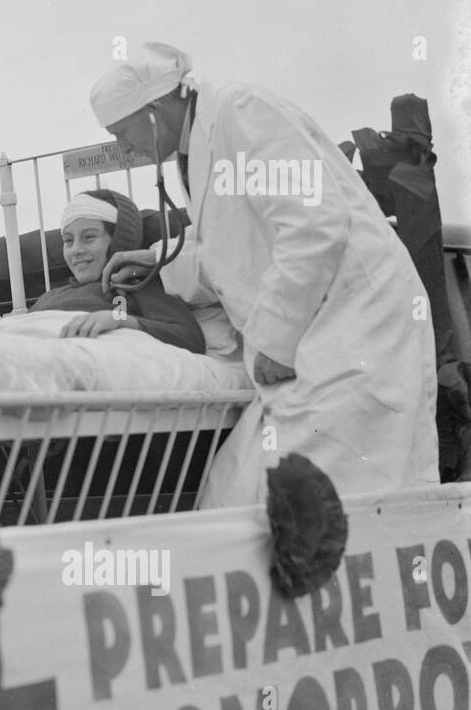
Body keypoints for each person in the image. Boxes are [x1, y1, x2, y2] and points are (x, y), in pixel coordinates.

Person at [88, 42, 439, 507]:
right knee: (237, 495)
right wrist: (158, 259)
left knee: (337, 502)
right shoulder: (199, 143)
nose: (122, 148)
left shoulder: (241, 112)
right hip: (312, 342)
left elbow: (315, 225)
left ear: (151, 110)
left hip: (355, 330)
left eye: (121, 132)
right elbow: (231, 248)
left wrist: (275, 338)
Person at [30, 189, 204, 354]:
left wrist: (122, 320)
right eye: (68, 240)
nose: (76, 250)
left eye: (89, 237)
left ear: (118, 242)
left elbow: (190, 338)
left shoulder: (132, 288)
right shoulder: (48, 297)